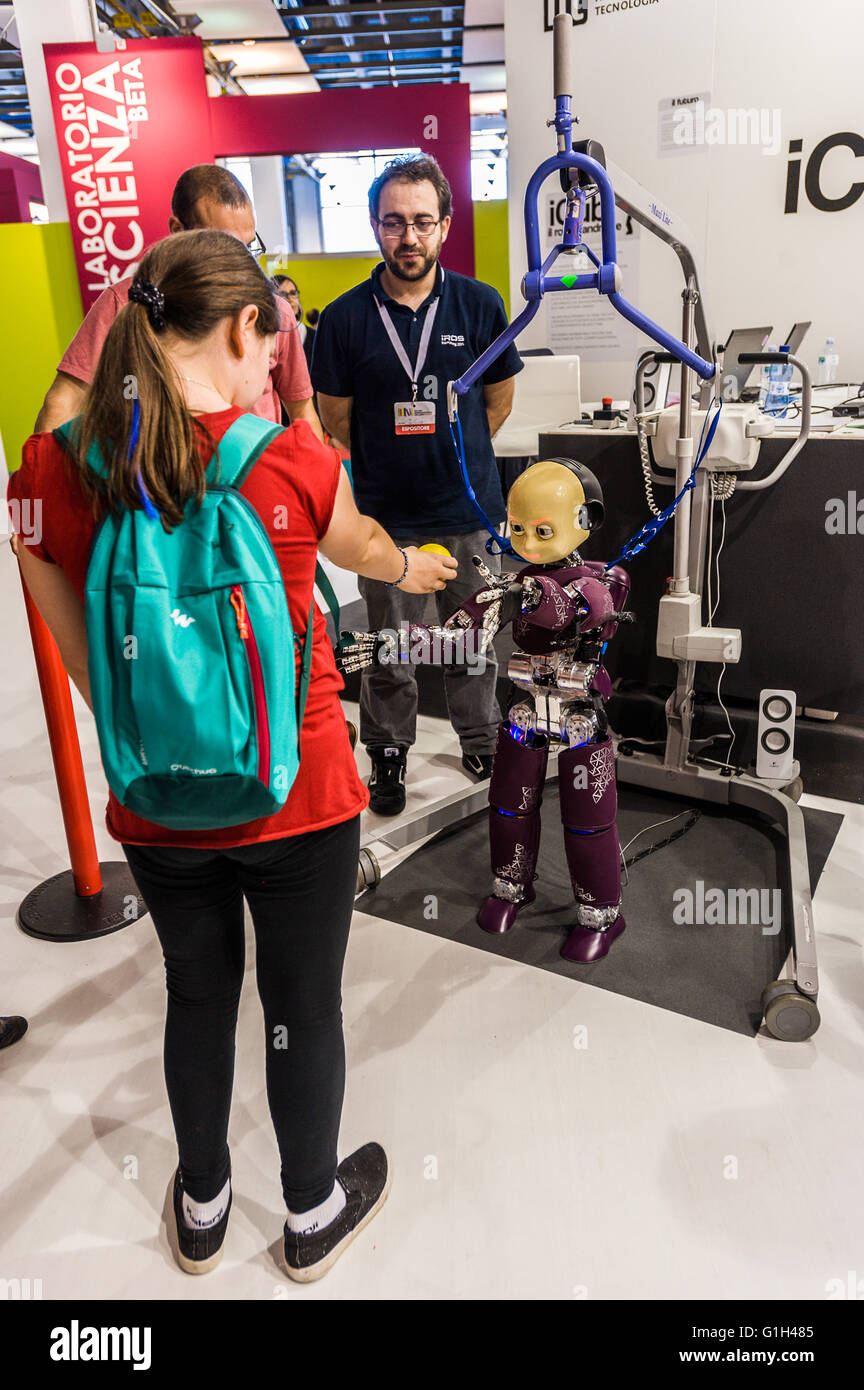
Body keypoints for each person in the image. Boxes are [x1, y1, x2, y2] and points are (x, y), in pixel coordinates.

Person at [8, 229, 454, 1280]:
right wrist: (414, 563)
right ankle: (309, 1216)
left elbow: (50, 588)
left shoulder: (60, 472)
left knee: (197, 993)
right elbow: (366, 550)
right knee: (305, 1005)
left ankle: (201, 1205)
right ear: (249, 326)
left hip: (158, 807)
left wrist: (141, 724)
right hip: (299, 799)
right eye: (274, 342)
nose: (275, 367)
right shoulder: (296, 460)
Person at [312, 154, 523, 816]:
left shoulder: (481, 304)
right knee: (392, 652)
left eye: (422, 222)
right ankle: (390, 753)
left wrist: (448, 455)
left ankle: (481, 739)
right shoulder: (344, 319)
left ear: (445, 225)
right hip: (387, 524)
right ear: (376, 226)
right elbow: (335, 420)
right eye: (394, 222)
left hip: (469, 512)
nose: (409, 237)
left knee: (473, 642)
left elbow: (498, 404)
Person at [35, 164, 322, 441]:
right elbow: (64, 401)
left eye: (247, 246)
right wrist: (45, 476)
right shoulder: (127, 303)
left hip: (252, 480)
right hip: (152, 482)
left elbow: (302, 409)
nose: (239, 262)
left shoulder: (274, 310)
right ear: (177, 230)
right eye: (222, 245)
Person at [273, 273, 316, 370]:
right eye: (282, 294)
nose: (290, 299)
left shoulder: (315, 337)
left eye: (293, 293)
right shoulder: (265, 338)